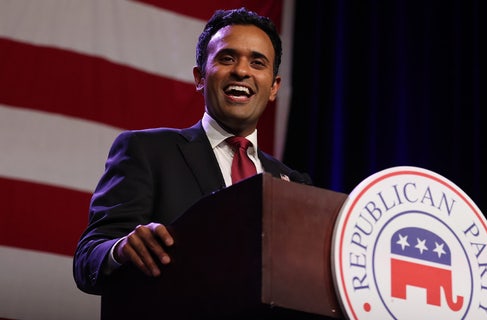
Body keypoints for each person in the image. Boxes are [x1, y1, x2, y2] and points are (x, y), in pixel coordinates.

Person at [73, 7, 312, 295]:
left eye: (257, 63)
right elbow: (88, 259)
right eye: (227, 58)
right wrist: (120, 249)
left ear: (273, 87)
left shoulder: (294, 183)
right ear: (200, 77)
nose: (241, 71)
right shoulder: (147, 152)